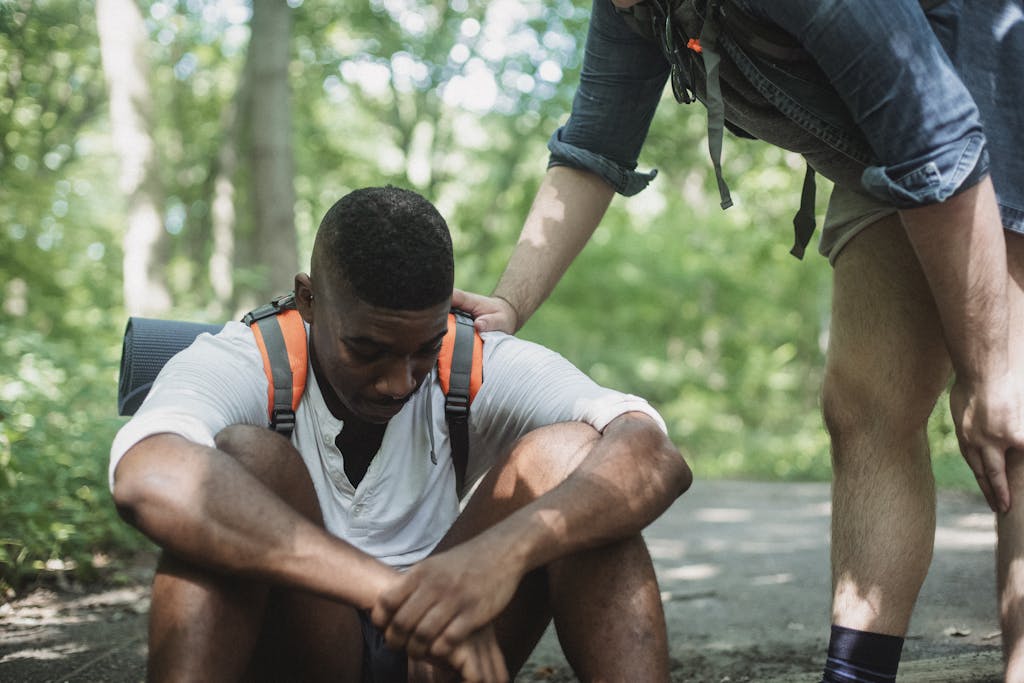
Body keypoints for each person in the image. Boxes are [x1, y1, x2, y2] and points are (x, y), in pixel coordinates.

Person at [451, 0, 1024, 680]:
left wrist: (990, 369)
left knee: (1010, 416)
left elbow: (940, 138)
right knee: (862, 403)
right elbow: (594, 147)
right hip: (892, 140)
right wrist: (510, 303)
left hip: (987, 93)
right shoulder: (633, 6)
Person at [108, 186, 692, 682]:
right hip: (308, 644)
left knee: (575, 462)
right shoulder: (244, 359)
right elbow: (148, 475)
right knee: (245, 459)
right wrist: (386, 592)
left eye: (423, 349)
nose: (397, 382)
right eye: (368, 350)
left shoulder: (476, 359)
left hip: (449, 647)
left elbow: (653, 456)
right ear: (309, 300)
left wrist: (500, 556)